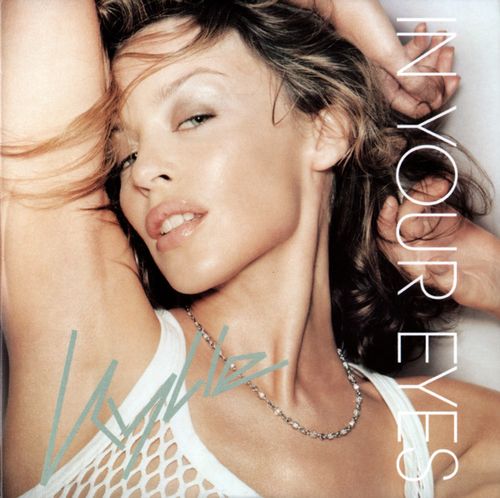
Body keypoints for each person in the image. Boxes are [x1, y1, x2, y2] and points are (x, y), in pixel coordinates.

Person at [2, 1, 499, 497]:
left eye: (194, 117)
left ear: (328, 128)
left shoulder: (434, 439)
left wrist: (486, 270)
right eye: (125, 157)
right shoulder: (94, 353)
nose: (145, 172)